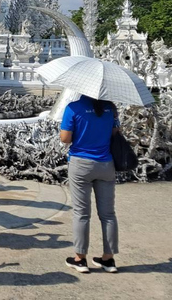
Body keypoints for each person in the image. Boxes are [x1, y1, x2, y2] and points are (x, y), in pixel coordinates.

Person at [60, 96, 120, 274]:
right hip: (105, 164)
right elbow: (116, 133)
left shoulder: (73, 108)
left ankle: (80, 258)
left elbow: (65, 138)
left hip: (81, 164)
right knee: (108, 214)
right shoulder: (110, 107)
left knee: (81, 213)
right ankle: (108, 259)